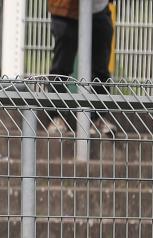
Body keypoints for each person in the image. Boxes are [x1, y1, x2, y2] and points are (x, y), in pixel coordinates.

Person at [46, 0, 115, 136]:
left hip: (98, 8)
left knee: (100, 69)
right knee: (62, 67)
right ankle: (56, 117)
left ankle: (98, 118)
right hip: (65, 10)